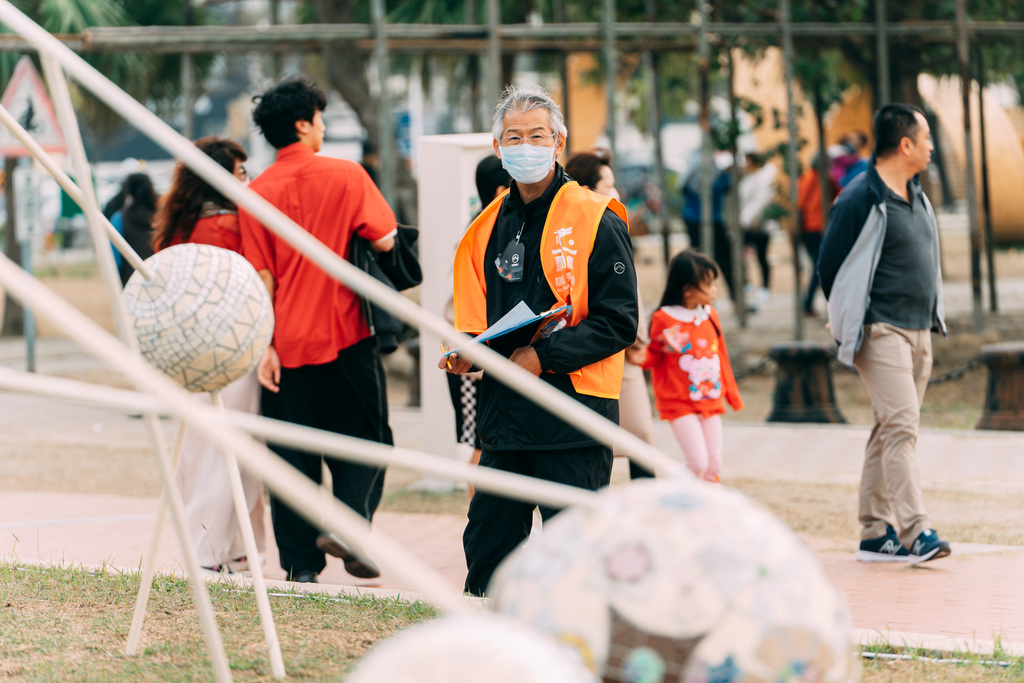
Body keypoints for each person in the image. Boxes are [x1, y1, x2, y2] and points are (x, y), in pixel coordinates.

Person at [440, 84, 638, 596]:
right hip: (504, 419)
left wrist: (543, 356)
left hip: (574, 417)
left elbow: (619, 322)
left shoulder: (596, 217)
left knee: (575, 564)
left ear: (558, 142)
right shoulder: (483, 229)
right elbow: (475, 319)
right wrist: (466, 351)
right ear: (497, 146)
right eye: (513, 137)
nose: (525, 146)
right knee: (487, 554)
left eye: (537, 135)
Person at [238, 75, 398, 584]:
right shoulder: (348, 175)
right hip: (347, 334)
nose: (323, 128)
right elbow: (387, 239)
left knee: (291, 458)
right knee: (368, 437)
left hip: (287, 342)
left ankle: (301, 568)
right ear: (303, 124)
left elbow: (261, 278)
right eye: (320, 119)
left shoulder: (255, 194)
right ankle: (348, 526)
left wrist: (265, 346)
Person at [818, 103, 950, 565]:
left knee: (889, 428)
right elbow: (829, 264)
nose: (932, 146)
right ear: (905, 144)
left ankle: (874, 534)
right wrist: (844, 314)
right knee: (902, 428)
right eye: (926, 137)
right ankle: (917, 532)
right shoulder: (860, 197)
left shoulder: (916, 193)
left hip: (919, 328)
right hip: (880, 329)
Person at [151, 135, 265, 573]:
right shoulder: (237, 225)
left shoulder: (176, 228)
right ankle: (219, 551)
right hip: (235, 350)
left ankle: (221, 547)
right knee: (234, 447)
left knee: (198, 451)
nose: (246, 180)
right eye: (240, 172)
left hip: (186, 353)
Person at [564, 148, 655, 480]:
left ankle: (643, 508)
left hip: (625, 350)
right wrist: (636, 338)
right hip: (610, 350)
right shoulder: (590, 230)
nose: (615, 192)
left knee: (638, 439)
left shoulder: (607, 224)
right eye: (609, 185)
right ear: (588, 190)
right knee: (625, 441)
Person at [642, 249, 743, 482]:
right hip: (678, 402)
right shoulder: (663, 318)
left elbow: (721, 355)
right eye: (708, 284)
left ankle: (710, 505)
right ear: (687, 290)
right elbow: (651, 357)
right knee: (697, 463)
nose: (714, 289)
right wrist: (637, 354)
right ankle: (667, 495)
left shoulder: (710, 315)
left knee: (714, 465)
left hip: (710, 399)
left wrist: (731, 393)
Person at [445, 155, 511, 498]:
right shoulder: (479, 235)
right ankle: (477, 516)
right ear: (501, 190)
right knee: (479, 446)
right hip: (474, 363)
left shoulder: (498, 230)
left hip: (491, 358)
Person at [680, 149, 738, 304]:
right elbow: (725, 187)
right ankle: (705, 300)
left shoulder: (696, 164)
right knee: (720, 262)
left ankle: (701, 300)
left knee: (701, 262)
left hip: (696, 218)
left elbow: (683, 187)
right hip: (707, 219)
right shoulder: (714, 169)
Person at [796, 153, 838, 317]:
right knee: (819, 267)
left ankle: (809, 302)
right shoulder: (825, 180)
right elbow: (839, 194)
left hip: (806, 229)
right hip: (818, 228)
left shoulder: (804, 179)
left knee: (817, 266)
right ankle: (808, 303)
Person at [738, 152, 778, 309]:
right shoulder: (746, 179)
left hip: (759, 225)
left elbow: (761, 202)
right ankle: (746, 282)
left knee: (762, 257)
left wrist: (749, 219)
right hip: (746, 224)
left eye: (746, 161)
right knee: (740, 254)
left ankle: (765, 287)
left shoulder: (763, 178)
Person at [113, 173, 158, 286]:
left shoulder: (120, 218)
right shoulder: (163, 216)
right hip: (159, 278)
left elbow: (115, 259)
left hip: (131, 283)